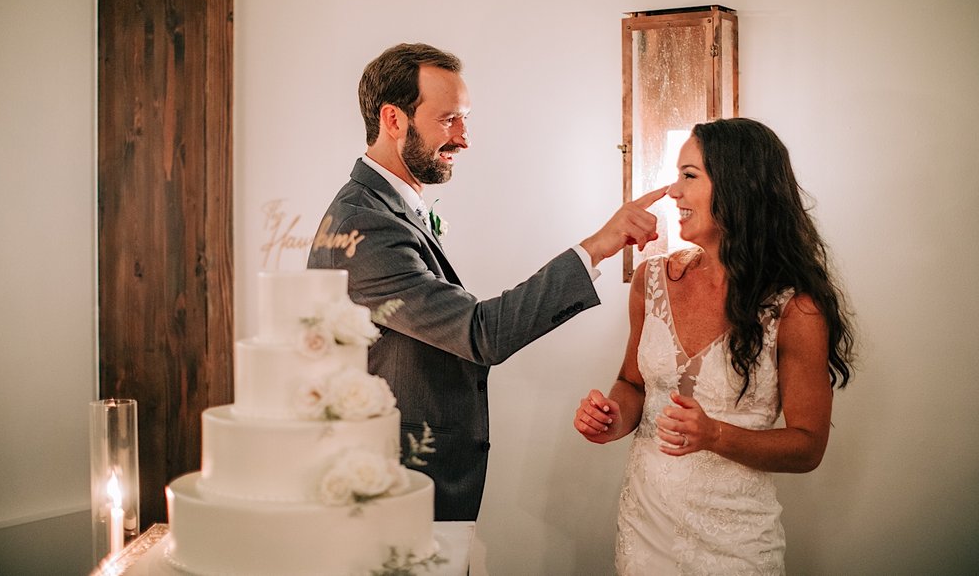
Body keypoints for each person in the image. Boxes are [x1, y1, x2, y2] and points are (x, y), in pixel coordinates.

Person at [308, 42, 666, 521]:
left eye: (464, 119)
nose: (463, 139)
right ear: (393, 120)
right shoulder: (365, 225)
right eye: (448, 119)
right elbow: (479, 335)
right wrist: (599, 245)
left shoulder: (388, 209)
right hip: (393, 485)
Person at [574, 117, 856, 574]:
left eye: (689, 176)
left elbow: (808, 446)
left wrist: (715, 435)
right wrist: (611, 417)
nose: (673, 192)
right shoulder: (652, 280)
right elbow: (633, 382)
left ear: (738, 185)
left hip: (735, 541)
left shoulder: (795, 309)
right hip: (645, 527)